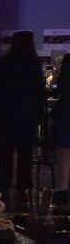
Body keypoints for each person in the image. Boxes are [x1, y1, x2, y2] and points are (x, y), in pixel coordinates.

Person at [0, 31, 43, 201]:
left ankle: (3, 187)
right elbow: (39, 93)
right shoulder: (34, 64)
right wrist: (39, 115)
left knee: (5, 152)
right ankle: (23, 188)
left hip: (5, 115)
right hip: (27, 116)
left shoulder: (2, 62)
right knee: (25, 154)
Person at [53, 54, 70, 206]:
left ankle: (62, 191)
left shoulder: (68, 60)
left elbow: (61, 87)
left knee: (64, 151)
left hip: (66, 111)